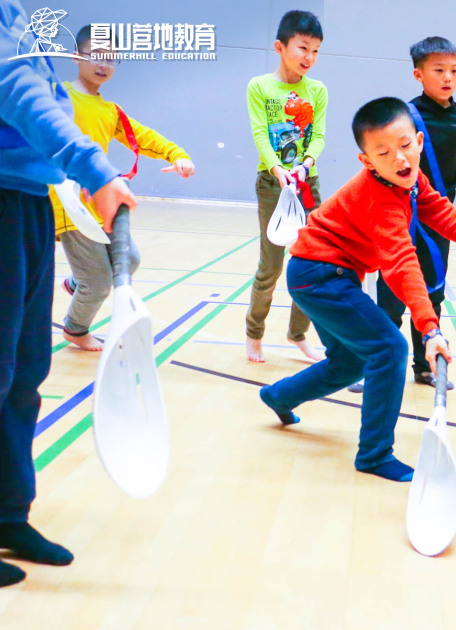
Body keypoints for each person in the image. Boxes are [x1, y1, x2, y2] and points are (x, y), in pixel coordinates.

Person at [258, 97, 456, 482]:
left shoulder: (410, 179)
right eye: (383, 152)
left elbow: (439, 210)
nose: (399, 159)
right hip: (320, 276)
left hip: (324, 274)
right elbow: (401, 263)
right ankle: (375, 455)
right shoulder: (380, 198)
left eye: (405, 145)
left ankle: (278, 396)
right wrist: (429, 328)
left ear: (420, 141)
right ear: (367, 161)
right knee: (390, 347)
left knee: (350, 363)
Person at [0, 0, 137, 587]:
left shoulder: (20, 13)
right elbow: (11, 87)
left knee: (25, 372)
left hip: (26, 199)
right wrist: (94, 168)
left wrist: (88, 168)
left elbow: (48, 95)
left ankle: (8, 515)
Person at [52, 25, 196, 352]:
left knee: (128, 259)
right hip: (69, 204)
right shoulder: (57, 95)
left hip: (100, 202)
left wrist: (178, 154)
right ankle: (75, 329)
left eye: (112, 59)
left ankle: (76, 283)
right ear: (76, 56)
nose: (104, 64)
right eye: (96, 55)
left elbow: (142, 136)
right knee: (100, 281)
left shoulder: (110, 110)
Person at [366, 36, 456, 391]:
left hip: (438, 220)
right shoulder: (404, 115)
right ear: (418, 74)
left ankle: (424, 366)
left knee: (432, 293)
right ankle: (378, 368)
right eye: (439, 70)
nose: (448, 77)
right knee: (391, 293)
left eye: (454, 71)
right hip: (401, 218)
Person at [245, 10, 327, 363]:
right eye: (303, 48)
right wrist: (278, 169)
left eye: (315, 51)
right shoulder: (260, 86)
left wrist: (305, 166)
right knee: (272, 265)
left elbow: (319, 136)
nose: (309, 57)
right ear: (280, 47)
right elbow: (260, 133)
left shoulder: (318, 91)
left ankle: (298, 334)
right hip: (272, 183)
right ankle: (254, 332)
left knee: (314, 261)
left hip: (307, 182)